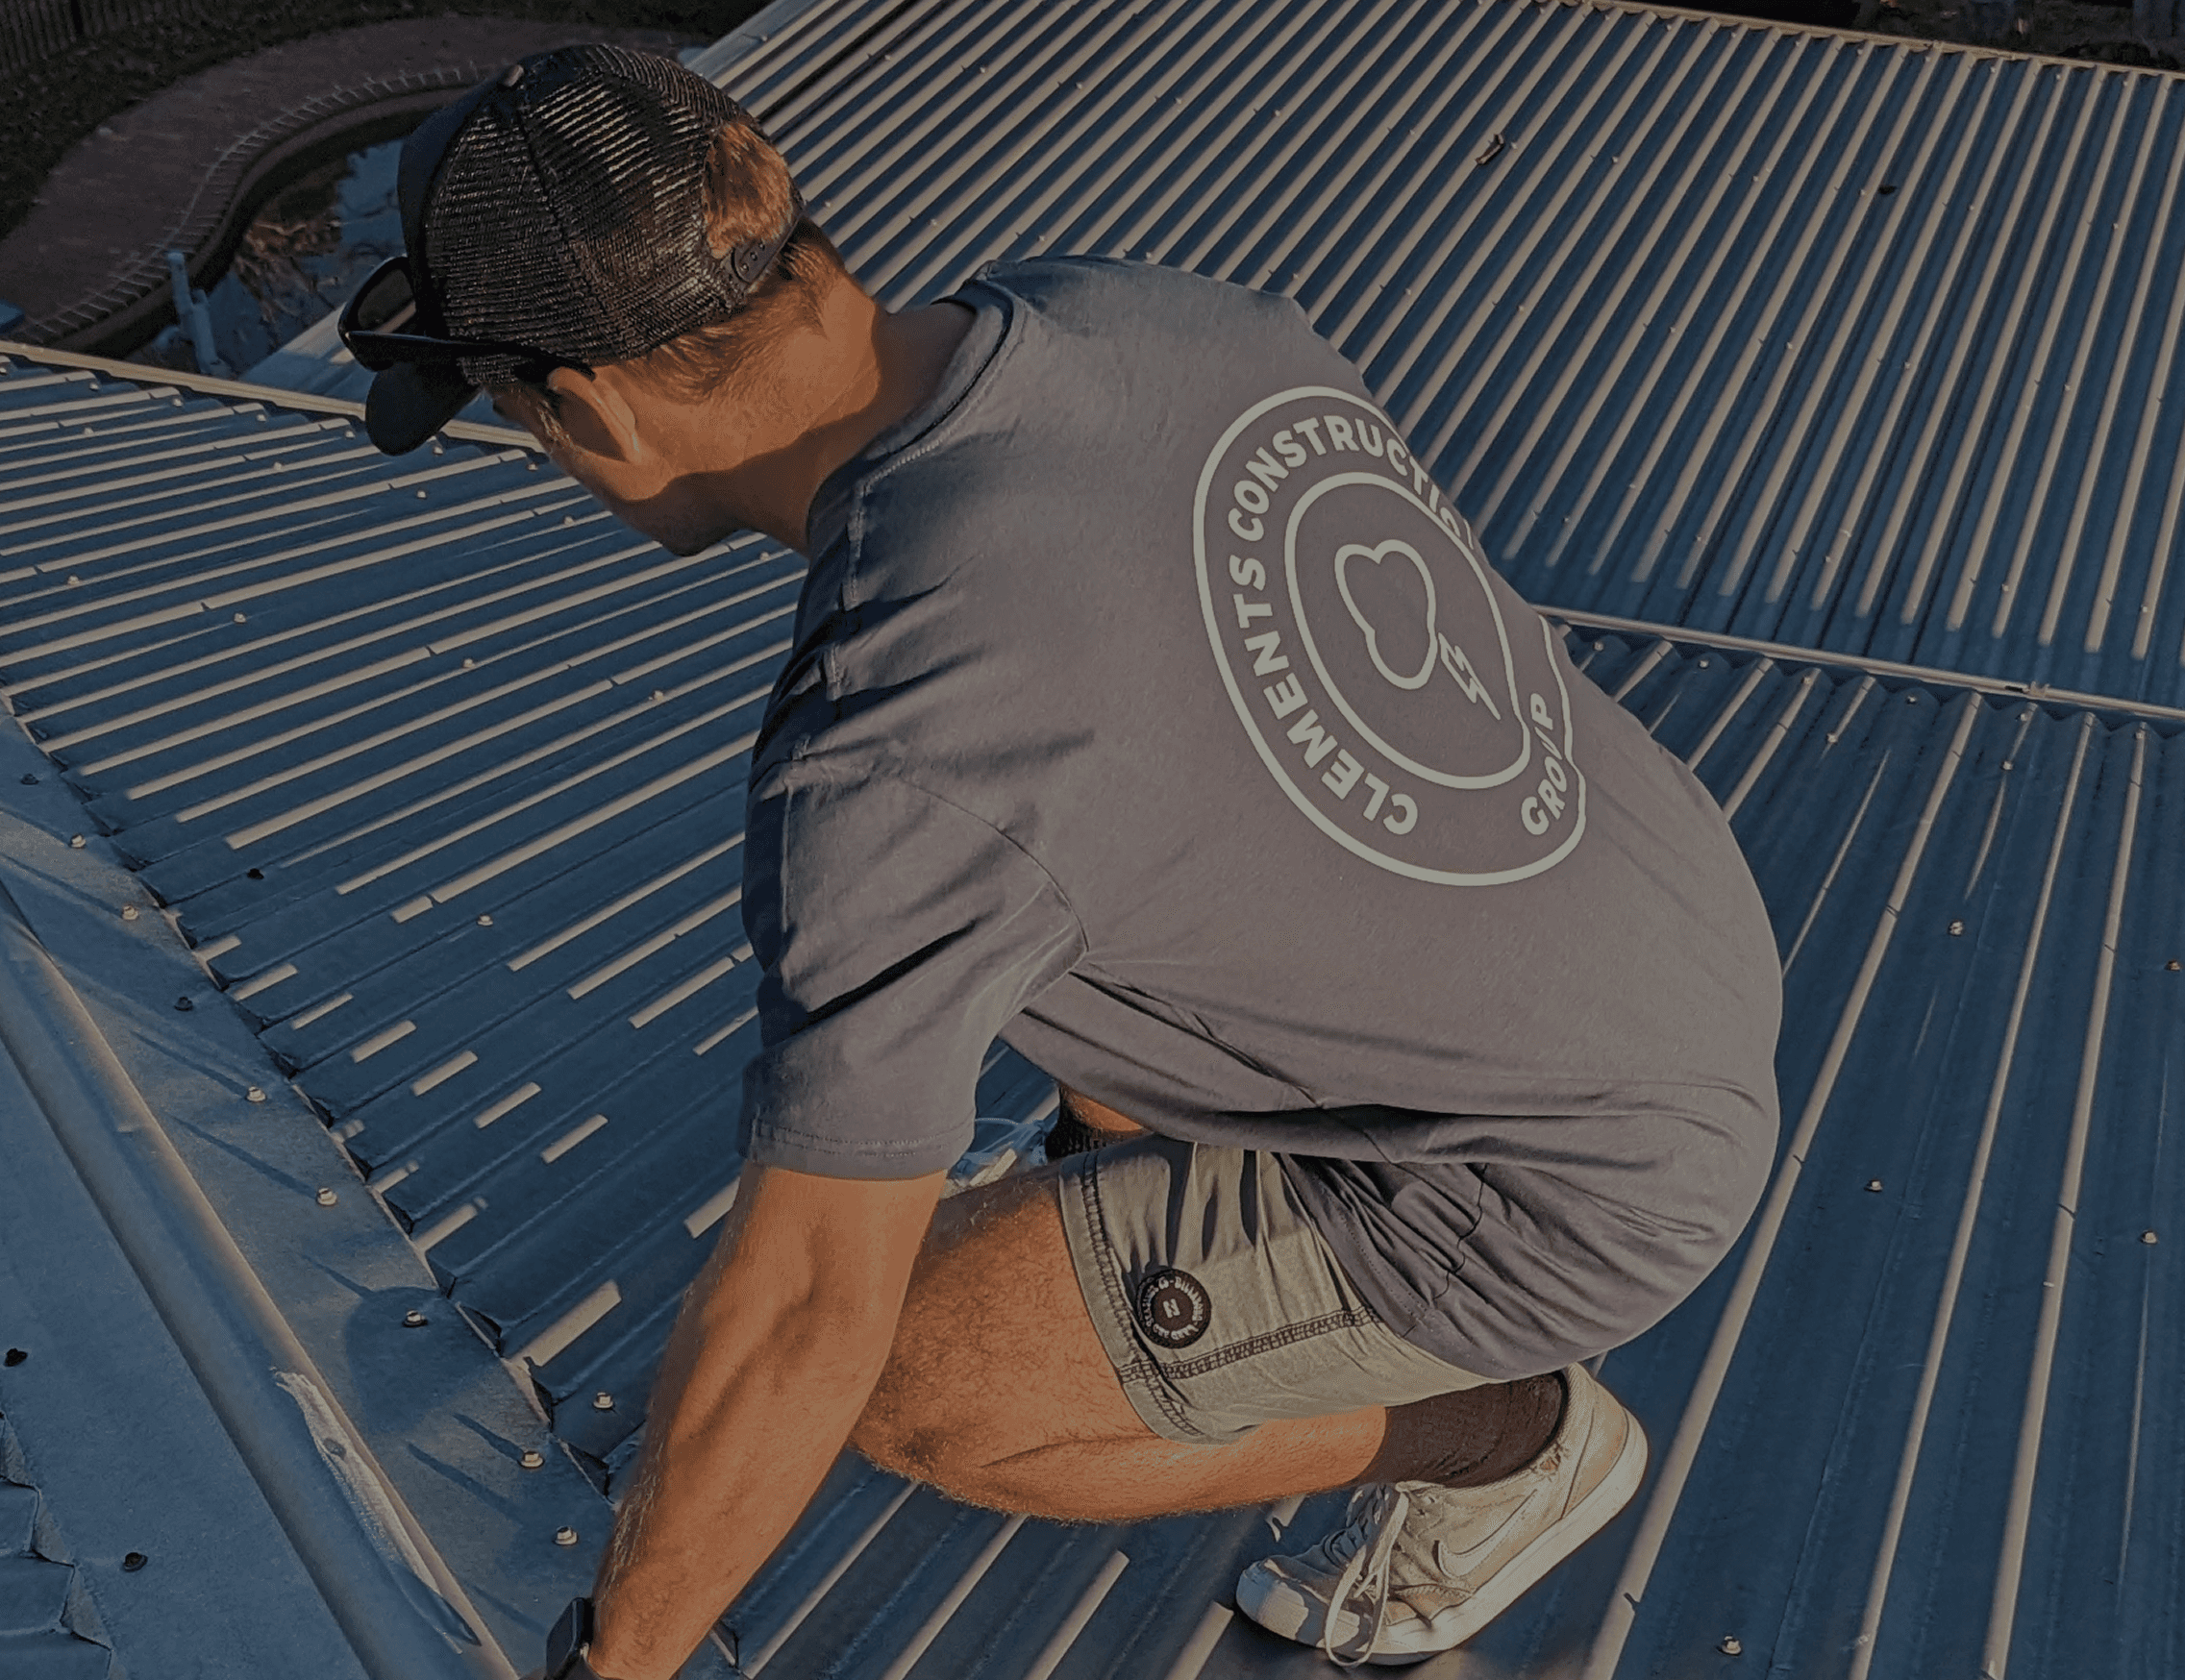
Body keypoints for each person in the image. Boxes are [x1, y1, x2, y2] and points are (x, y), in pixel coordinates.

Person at [342, 45, 1782, 1680]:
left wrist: (617, 1661)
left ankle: (1512, 1440)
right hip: (1665, 922)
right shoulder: (1127, 311)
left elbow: (810, 1310)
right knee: (1053, 874)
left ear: (588, 411)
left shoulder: (895, 743)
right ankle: (1171, 1201)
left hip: (1554, 1188)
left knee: (912, 1384)